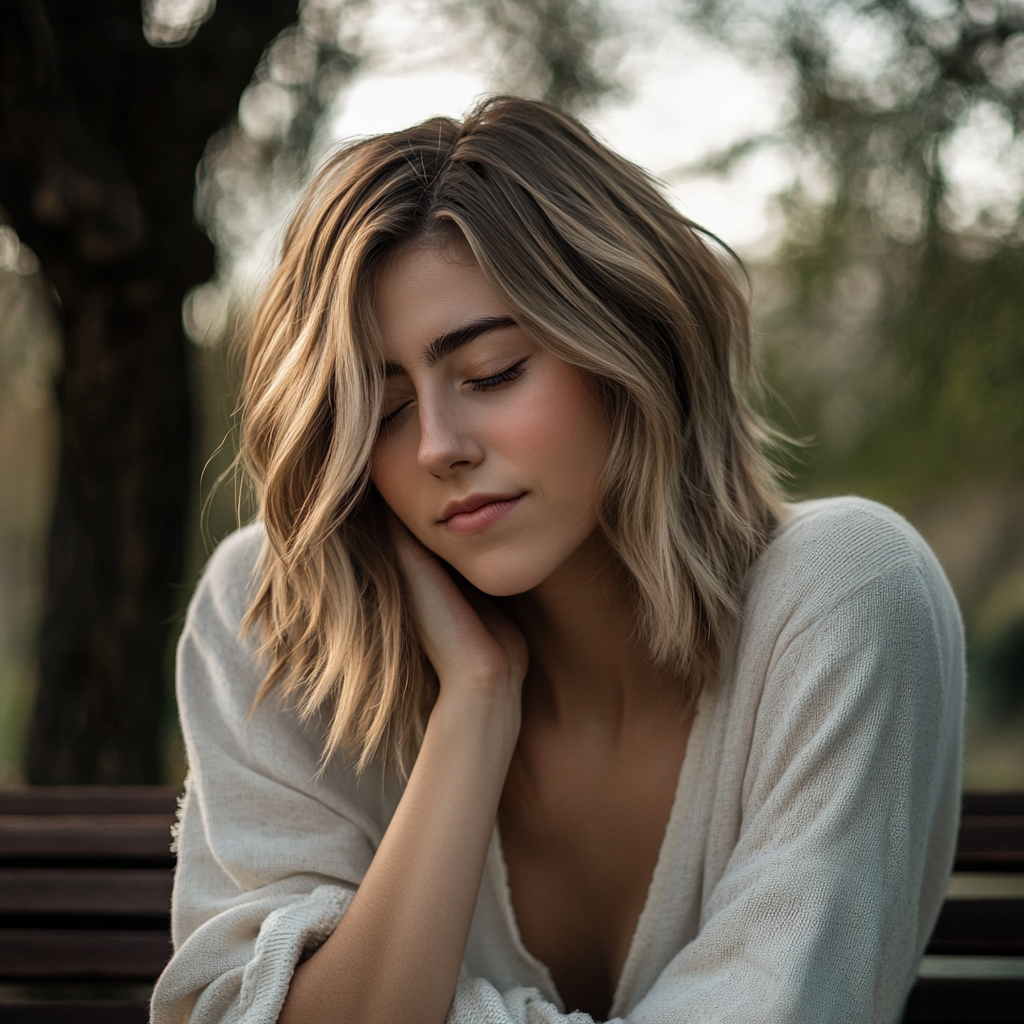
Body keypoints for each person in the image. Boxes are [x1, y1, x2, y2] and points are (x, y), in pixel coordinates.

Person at [150, 96, 964, 1024]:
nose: (437, 448)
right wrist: (477, 702)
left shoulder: (847, 592)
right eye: (381, 413)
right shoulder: (278, 611)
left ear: (631, 343)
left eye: (492, 371)